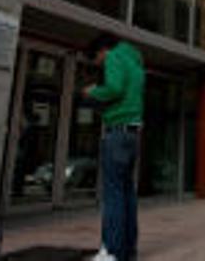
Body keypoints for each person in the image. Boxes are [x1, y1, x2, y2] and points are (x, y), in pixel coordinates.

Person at [83, 33, 146, 261]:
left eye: (97, 60)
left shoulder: (114, 57)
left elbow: (114, 88)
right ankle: (128, 250)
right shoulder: (134, 62)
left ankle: (111, 251)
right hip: (133, 133)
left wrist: (92, 92)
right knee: (127, 193)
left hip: (117, 132)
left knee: (113, 195)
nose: (100, 64)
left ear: (102, 51)